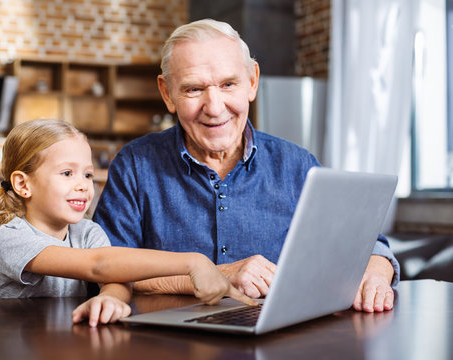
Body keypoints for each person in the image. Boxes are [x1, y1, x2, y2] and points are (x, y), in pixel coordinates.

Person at [93, 19, 401, 313]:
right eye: (193, 89)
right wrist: (219, 274)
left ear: (252, 82)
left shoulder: (296, 165)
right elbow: (110, 267)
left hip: (276, 339)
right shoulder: (134, 165)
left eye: (228, 84)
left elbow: (371, 245)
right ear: (167, 93)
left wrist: (374, 276)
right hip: (171, 344)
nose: (214, 108)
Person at [0, 119, 254, 327]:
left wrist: (110, 300)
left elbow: (114, 278)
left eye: (88, 175)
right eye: (67, 173)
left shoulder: (87, 231)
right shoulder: (11, 239)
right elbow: (98, 266)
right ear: (24, 185)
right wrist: (194, 262)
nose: (83, 185)